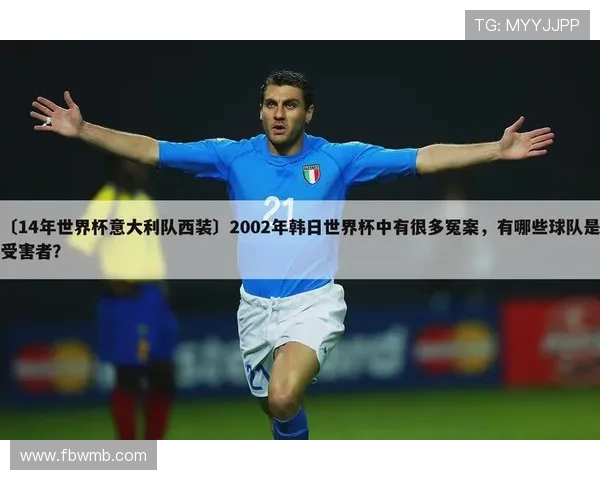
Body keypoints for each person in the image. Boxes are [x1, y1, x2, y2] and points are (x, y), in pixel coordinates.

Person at [31, 70, 554, 440]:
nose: (278, 114)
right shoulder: (232, 156)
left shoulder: (339, 159)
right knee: (277, 409)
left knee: (283, 395)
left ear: (308, 112)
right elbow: (152, 149)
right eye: (270, 104)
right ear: (260, 110)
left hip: (313, 304)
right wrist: (85, 131)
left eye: (289, 105)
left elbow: (423, 158)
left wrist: (494, 149)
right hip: (255, 310)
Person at [67, 155, 177, 440]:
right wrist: (110, 281)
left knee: (164, 375)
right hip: (128, 300)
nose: (140, 168)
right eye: (131, 163)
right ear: (117, 168)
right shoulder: (108, 201)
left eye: (140, 163)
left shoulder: (145, 201)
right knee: (129, 375)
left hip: (155, 298)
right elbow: (78, 248)